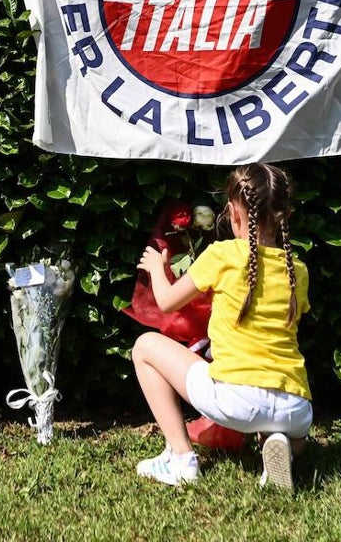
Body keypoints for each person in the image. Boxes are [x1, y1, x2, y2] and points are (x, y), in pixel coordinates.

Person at [131, 162, 313, 488]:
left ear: (232, 212)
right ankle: (281, 443)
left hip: (237, 398)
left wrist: (158, 268)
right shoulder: (297, 270)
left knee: (144, 347)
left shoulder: (223, 254)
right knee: (285, 428)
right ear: (286, 213)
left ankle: (182, 459)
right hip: (296, 406)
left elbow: (169, 301)